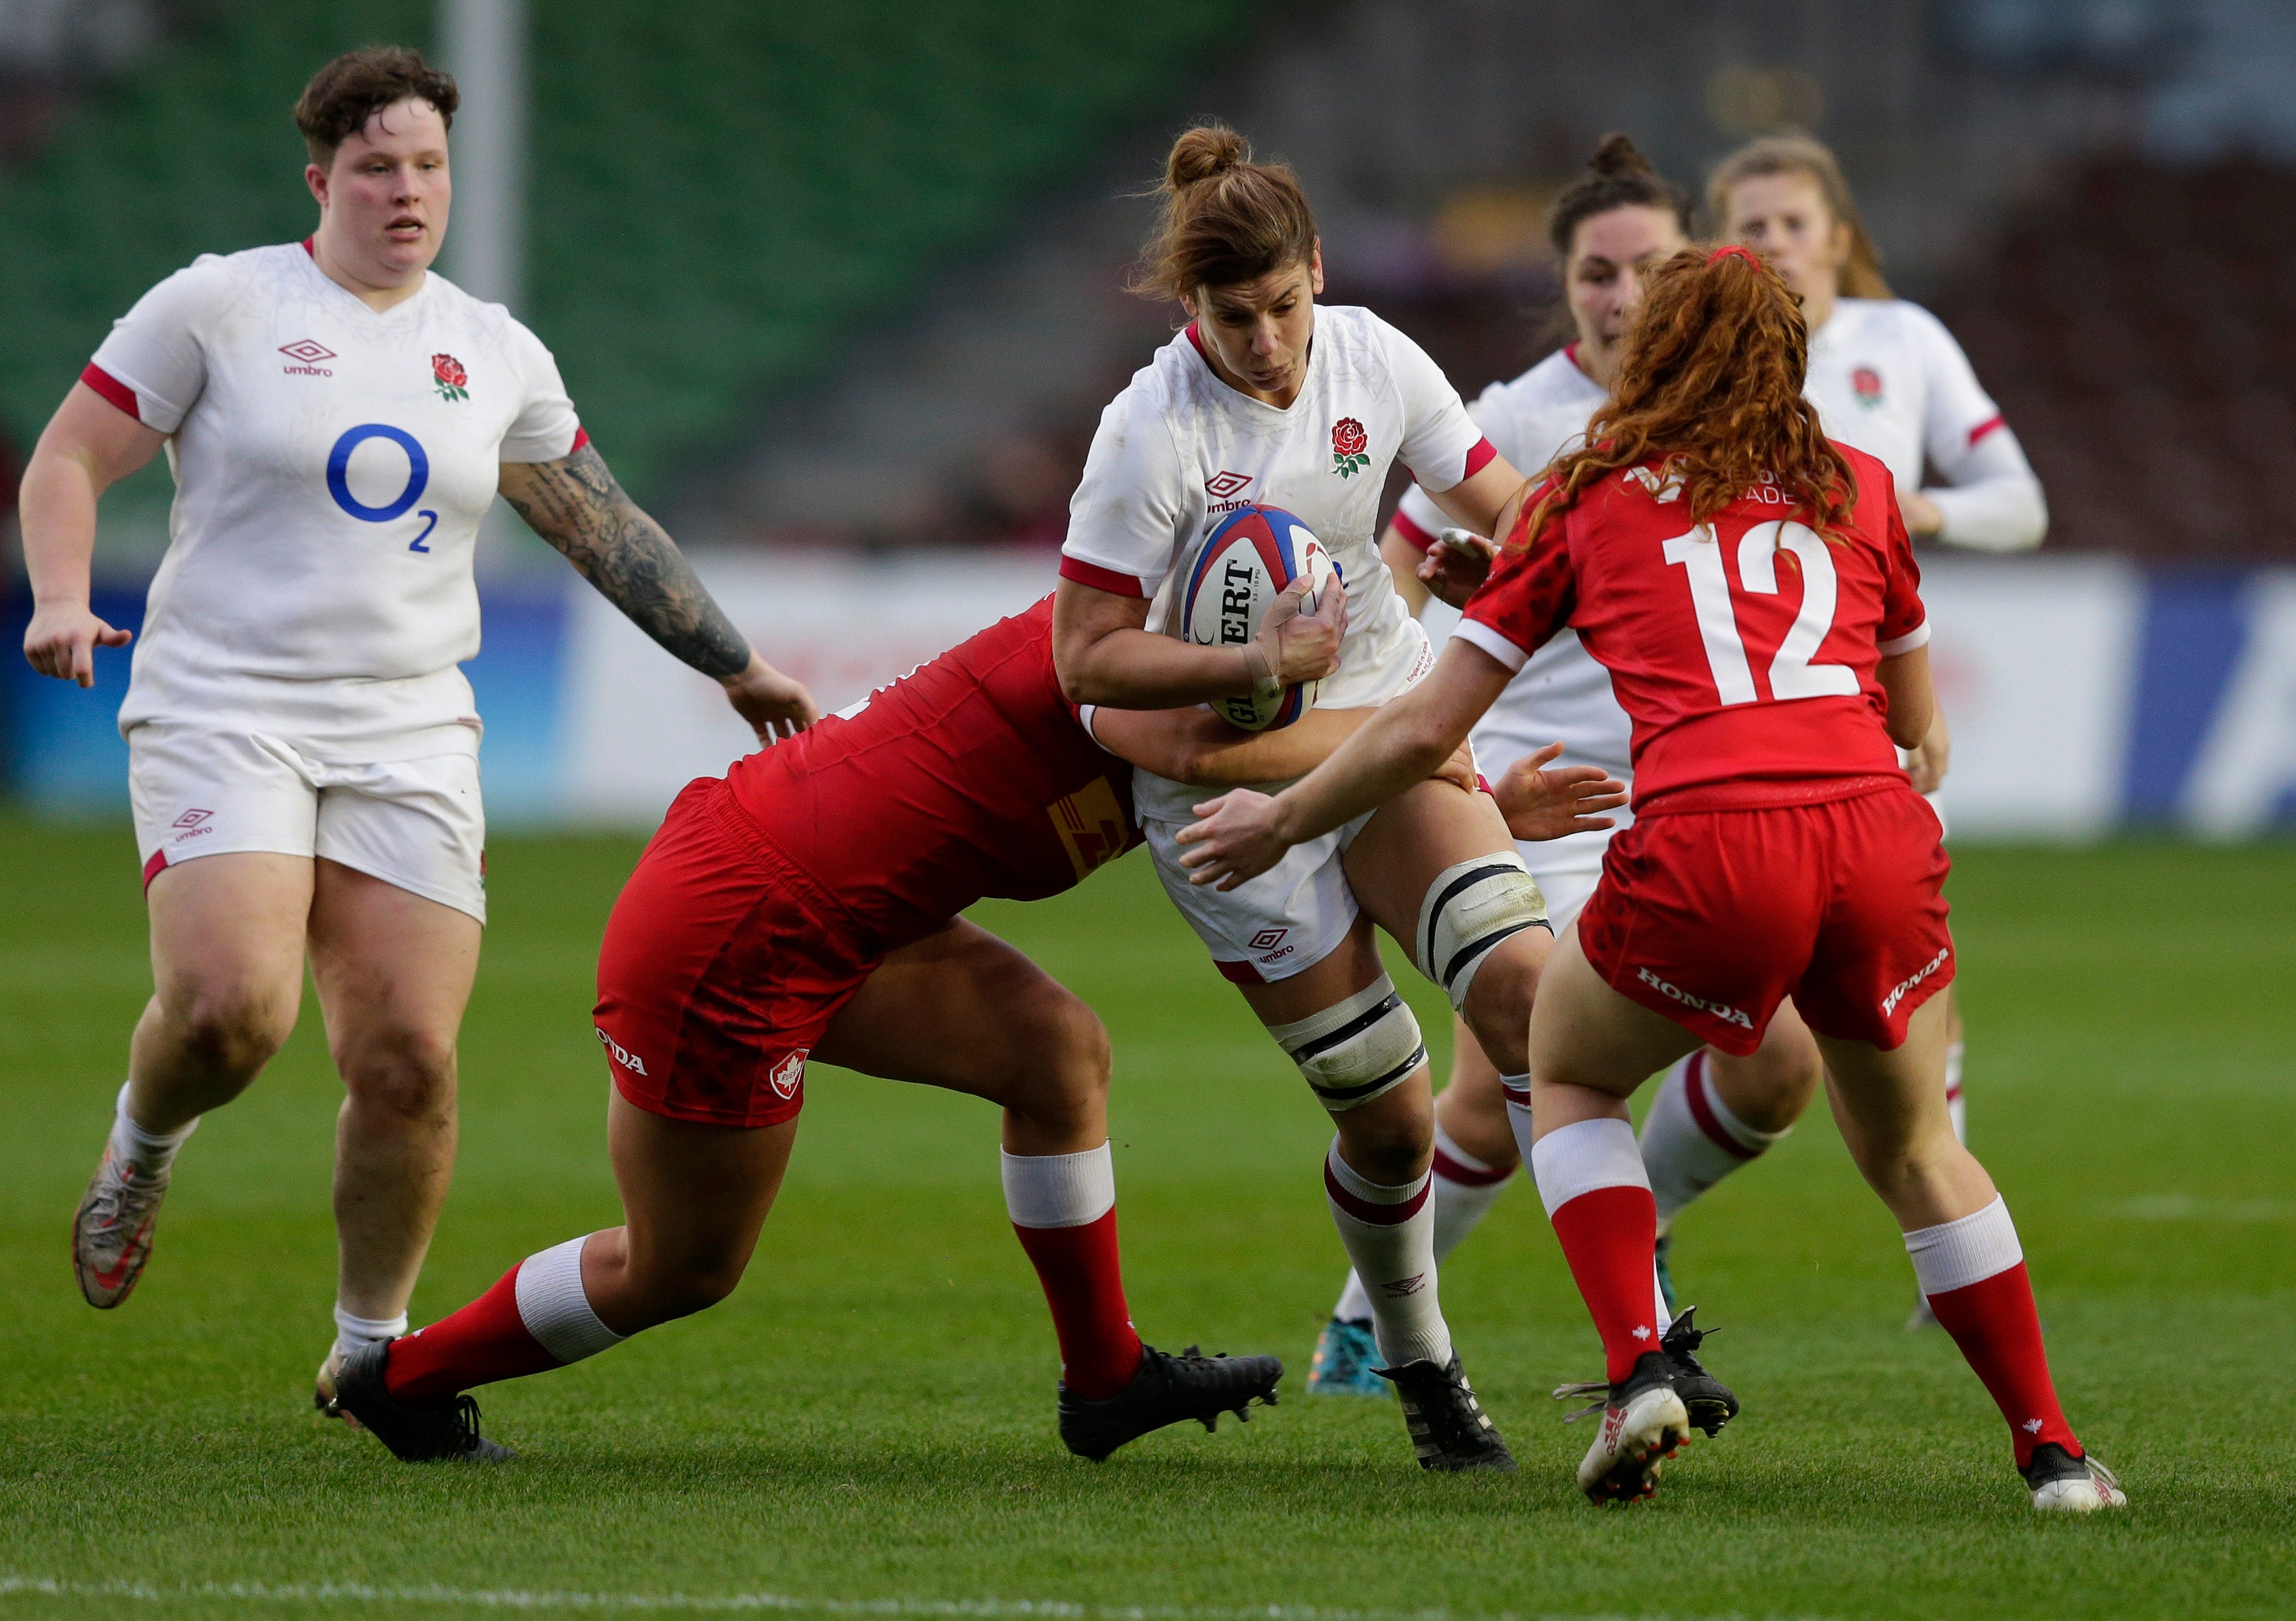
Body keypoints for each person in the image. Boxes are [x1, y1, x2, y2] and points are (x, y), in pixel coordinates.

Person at [1176, 246, 2123, 1513]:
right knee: (1916, 1149)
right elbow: (1923, 733)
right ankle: (2053, 1452)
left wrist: (1280, 815)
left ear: (1653, 350)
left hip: (1712, 846)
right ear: (1791, 356)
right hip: (1875, 837)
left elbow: (1415, 731)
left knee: (1564, 1072)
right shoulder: (1862, 484)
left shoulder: (1585, 493)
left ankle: (1639, 1367)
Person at [20, 47, 815, 1417]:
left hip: (411, 730)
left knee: (406, 1058)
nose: (408, 191)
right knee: (230, 1013)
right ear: (322, 178)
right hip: (226, 705)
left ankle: (370, 1349)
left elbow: (599, 522)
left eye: (429, 165)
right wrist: (58, 595)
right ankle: (142, 1144)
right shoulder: (220, 302)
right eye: (379, 166)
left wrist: (735, 665)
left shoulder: (494, 349)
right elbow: (68, 456)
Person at [326, 594, 1530, 1463]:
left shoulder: (1156, 666)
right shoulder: (1135, 695)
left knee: (1057, 1053)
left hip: (828, 910)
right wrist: (1440, 744)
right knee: (681, 1265)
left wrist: (1454, 778)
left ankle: (1104, 1378)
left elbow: (1293, 789)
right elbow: (1247, 756)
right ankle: (403, 1378)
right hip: (738, 924)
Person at [1050, 124, 1569, 1472]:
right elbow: (1085, 657)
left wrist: (1514, 567)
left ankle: (1642, 1350)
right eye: (1236, 318)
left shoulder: (1374, 356)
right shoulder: (1146, 433)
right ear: (1191, 309)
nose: (1269, 341)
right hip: (1218, 787)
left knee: (1527, 997)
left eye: (1286, 307)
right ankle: (1417, 1358)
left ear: (1317, 273)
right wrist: (1246, 661)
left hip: (1381, 718)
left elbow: (1509, 506)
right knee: (1393, 1123)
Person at [1311, 134, 1812, 1392]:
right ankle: (1369, 1328)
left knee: (1780, 1065)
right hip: (1548, 807)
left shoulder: (1751, 425)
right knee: (1500, 1092)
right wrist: (1464, 750)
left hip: (1702, 798)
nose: (1622, 296)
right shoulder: (1508, 428)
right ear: (1564, 283)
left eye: (1648, 268)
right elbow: (1400, 600)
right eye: (1596, 272)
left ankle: (1641, 1218)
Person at [1630, 132, 2050, 1327]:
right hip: (1720, 715)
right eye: (1748, 227)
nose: (1772, 244)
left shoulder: (1903, 341)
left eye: (1792, 224)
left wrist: (1906, 502)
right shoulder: (1705, 359)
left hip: (1870, 705)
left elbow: (2020, 504)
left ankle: (1932, 1246)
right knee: (1761, 1030)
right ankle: (1641, 1201)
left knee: (1915, 993)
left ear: (1839, 234)